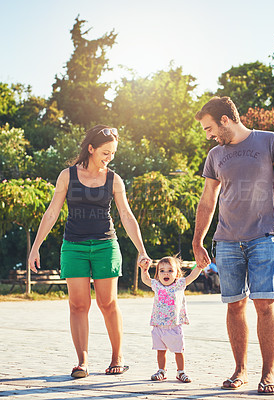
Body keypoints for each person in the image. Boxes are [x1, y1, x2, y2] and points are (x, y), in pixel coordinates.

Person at [192, 97, 274, 395]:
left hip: (264, 236)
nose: (208, 134)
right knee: (234, 305)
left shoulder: (270, 142)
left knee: (264, 304)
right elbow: (208, 199)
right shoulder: (215, 155)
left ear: (225, 120)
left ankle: (268, 373)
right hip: (226, 240)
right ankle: (240, 370)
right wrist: (197, 239)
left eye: (209, 127)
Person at [28, 125, 151, 379]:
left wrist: (141, 250)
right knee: (78, 305)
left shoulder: (114, 179)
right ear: (91, 149)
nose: (110, 157)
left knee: (108, 303)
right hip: (74, 246)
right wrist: (35, 246)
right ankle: (82, 361)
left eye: (113, 153)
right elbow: (52, 212)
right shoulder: (67, 176)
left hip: (106, 245)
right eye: (105, 152)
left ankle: (117, 356)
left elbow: (126, 216)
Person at [140, 256, 201, 383]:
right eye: (162, 271)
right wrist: (144, 269)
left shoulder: (179, 284)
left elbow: (192, 276)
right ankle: (161, 371)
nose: (166, 273)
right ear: (158, 274)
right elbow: (146, 279)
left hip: (174, 325)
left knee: (178, 351)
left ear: (177, 273)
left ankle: (181, 372)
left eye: (170, 270)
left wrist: (199, 267)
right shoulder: (156, 285)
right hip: (158, 325)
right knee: (160, 351)